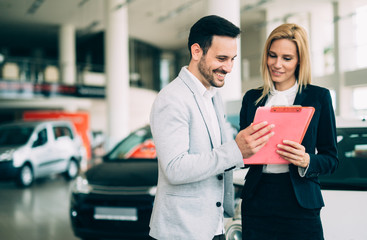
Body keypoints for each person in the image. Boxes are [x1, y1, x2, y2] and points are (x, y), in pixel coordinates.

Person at [149, 15, 275, 240]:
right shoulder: (171, 99)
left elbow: (221, 156)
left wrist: (256, 147)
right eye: (222, 58)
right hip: (181, 231)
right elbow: (175, 168)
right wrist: (236, 150)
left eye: (233, 59)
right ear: (196, 52)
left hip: (213, 226)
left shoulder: (213, 97)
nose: (228, 68)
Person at [239, 23, 339, 240]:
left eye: (286, 58)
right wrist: (242, 148)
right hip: (258, 199)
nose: (277, 64)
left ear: (299, 60)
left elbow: (331, 158)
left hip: (300, 201)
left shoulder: (318, 97)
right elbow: (242, 156)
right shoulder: (252, 99)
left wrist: (306, 160)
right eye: (272, 55)